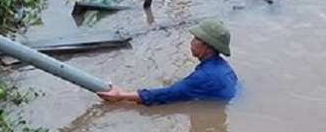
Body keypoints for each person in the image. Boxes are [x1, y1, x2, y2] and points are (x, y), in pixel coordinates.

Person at [97, 20, 238, 106]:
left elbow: (165, 95)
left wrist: (121, 95)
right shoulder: (225, 68)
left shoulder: (204, 77)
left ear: (207, 46)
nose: (191, 42)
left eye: (196, 39)